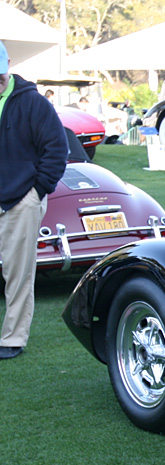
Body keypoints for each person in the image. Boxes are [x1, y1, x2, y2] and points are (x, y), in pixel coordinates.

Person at [0, 40, 69, 360]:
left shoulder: (34, 103)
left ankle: (13, 338)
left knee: (18, 273)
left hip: (21, 200)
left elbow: (57, 151)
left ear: (8, 65)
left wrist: (36, 192)